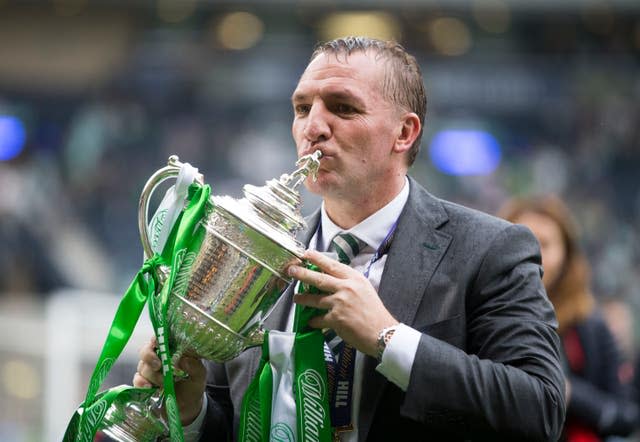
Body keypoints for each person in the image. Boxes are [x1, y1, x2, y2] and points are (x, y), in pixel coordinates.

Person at [134, 36, 566, 441]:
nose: (313, 127)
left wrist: (387, 338)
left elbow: (539, 409)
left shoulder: (489, 249)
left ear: (404, 133)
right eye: (302, 108)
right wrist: (192, 412)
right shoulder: (258, 256)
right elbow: (234, 418)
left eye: (342, 108)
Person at [498, 194, 639, 442]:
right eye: (523, 240)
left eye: (546, 243)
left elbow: (626, 416)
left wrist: (565, 390)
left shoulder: (590, 327)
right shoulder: (480, 317)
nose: (534, 254)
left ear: (566, 255)